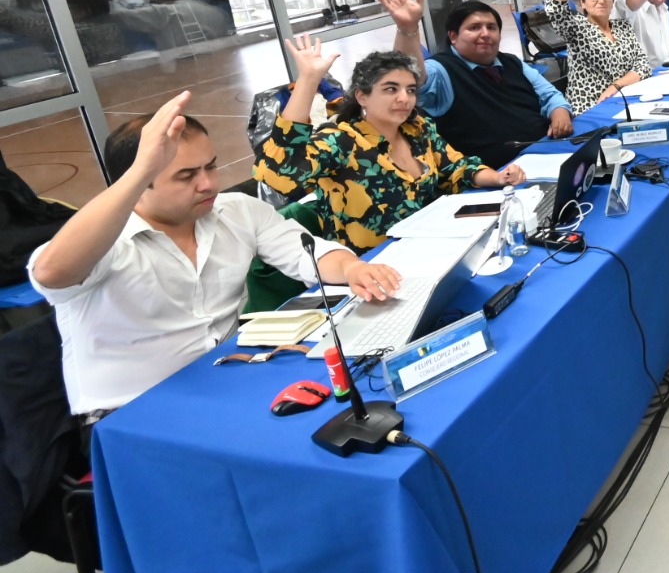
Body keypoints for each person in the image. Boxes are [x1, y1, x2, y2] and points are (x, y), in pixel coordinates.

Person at [28, 92, 401, 417]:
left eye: (210, 166)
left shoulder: (235, 211)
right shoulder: (105, 240)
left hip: (230, 379)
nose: (207, 183)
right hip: (134, 412)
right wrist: (141, 168)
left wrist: (351, 269)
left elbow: (307, 253)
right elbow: (51, 273)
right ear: (138, 181)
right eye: (185, 175)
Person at [255, 42, 523, 252]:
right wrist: (309, 80)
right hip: (374, 267)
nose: (404, 98)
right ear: (362, 96)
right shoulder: (341, 141)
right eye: (391, 89)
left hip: (436, 247)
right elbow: (278, 173)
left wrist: (498, 177)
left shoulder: (417, 129)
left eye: (410, 90)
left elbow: (456, 168)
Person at [381, 0, 573, 167]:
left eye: (491, 27)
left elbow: (549, 94)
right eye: (474, 28)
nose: (485, 34)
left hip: (547, 151)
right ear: (453, 36)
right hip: (496, 174)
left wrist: (560, 112)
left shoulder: (512, 62)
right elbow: (409, 79)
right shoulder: (442, 70)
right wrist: (407, 29)